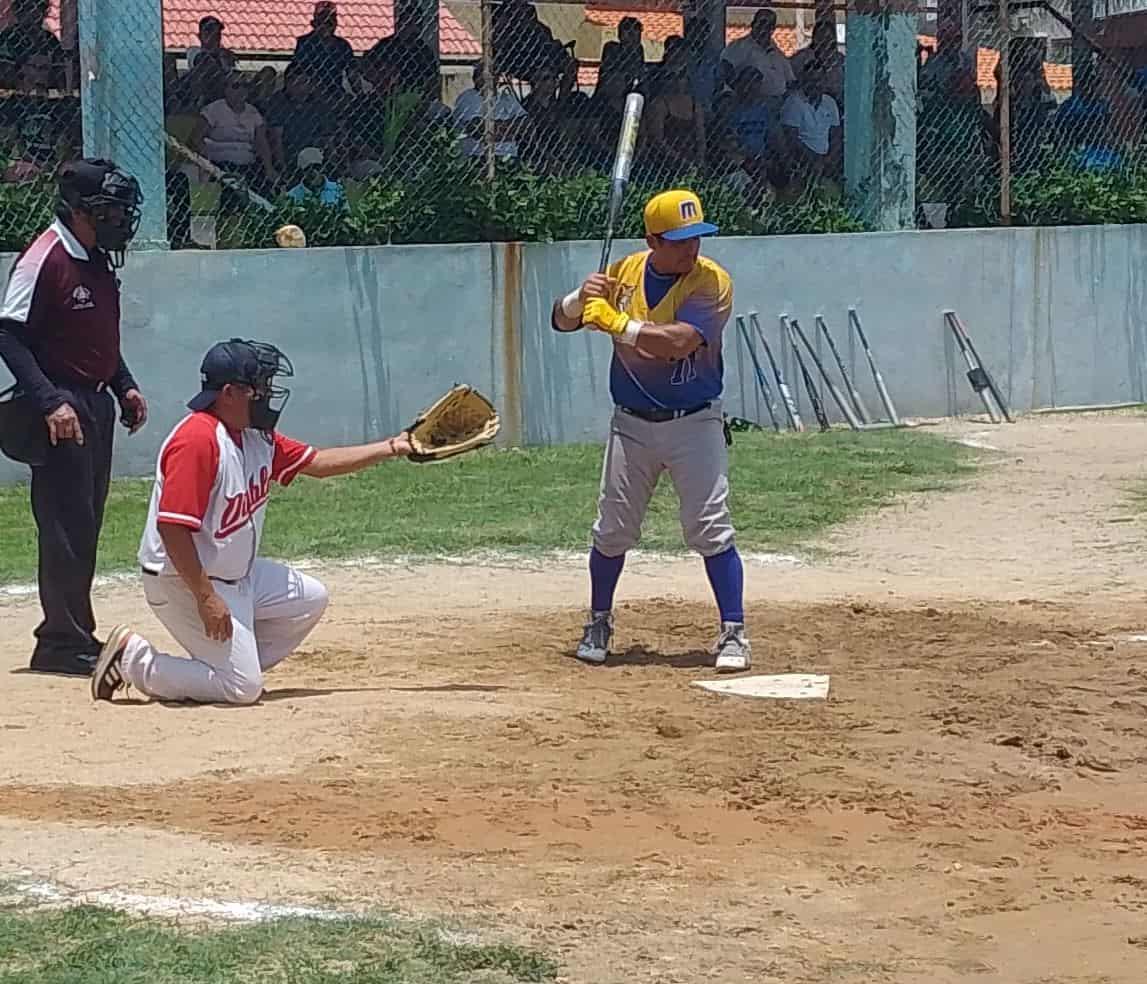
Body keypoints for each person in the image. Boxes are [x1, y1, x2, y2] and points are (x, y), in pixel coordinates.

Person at [90, 339, 415, 705]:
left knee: (310, 599)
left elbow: (319, 463)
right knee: (242, 690)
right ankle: (135, 660)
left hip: (237, 577)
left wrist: (395, 446)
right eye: (258, 387)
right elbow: (173, 529)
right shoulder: (197, 440)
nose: (266, 394)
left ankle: (222, 666)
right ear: (229, 393)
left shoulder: (256, 436)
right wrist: (206, 597)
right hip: (180, 581)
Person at [549, 189, 751, 673]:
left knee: (709, 526)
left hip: (694, 422)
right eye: (680, 241)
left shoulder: (711, 282)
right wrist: (581, 300)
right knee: (613, 529)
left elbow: (678, 343)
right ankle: (598, 620)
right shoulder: (623, 273)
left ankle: (733, 631)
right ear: (652, 240)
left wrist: (620, 325)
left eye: (696, 238)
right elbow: (560, 321)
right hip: (632, 423)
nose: (691, 249)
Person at [0, 159, 147, 676]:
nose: (120, 221)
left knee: (85, 521)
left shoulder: (96, 259)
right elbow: (8, 333)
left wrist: (122, 383)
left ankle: (76, 632)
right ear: (81, 210)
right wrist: (49, 401)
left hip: (95, 401)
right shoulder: (46, 256)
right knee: (63, 524)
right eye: (110, 210)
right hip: (60, 406)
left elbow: (97, 336)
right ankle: (59, 642)